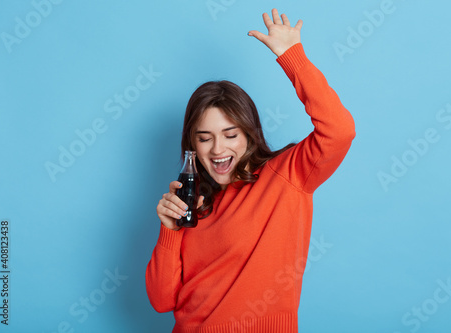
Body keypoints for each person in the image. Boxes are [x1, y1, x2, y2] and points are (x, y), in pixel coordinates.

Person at [146, 8, 356, 333]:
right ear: (192, 144)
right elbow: (161, 302)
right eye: (205, 138)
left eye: (230, 135)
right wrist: (169, 231)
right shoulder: (193, 205)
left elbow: (339, 130)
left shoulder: (286, 176)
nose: (218, 149)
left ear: (249, 133)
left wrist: (292, 57)